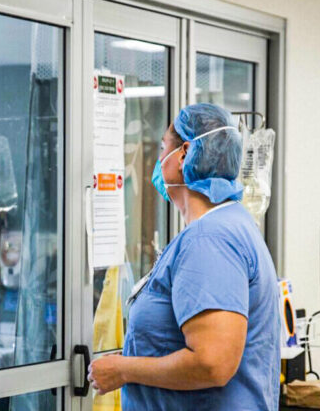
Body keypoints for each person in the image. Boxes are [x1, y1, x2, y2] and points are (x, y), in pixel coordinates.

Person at [88, 103, 281, 410]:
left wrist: (122, 369)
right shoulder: (227, 224)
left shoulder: (210, 239)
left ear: (183, 155)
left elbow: (211, 364)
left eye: (163, 147)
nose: (157, 159)